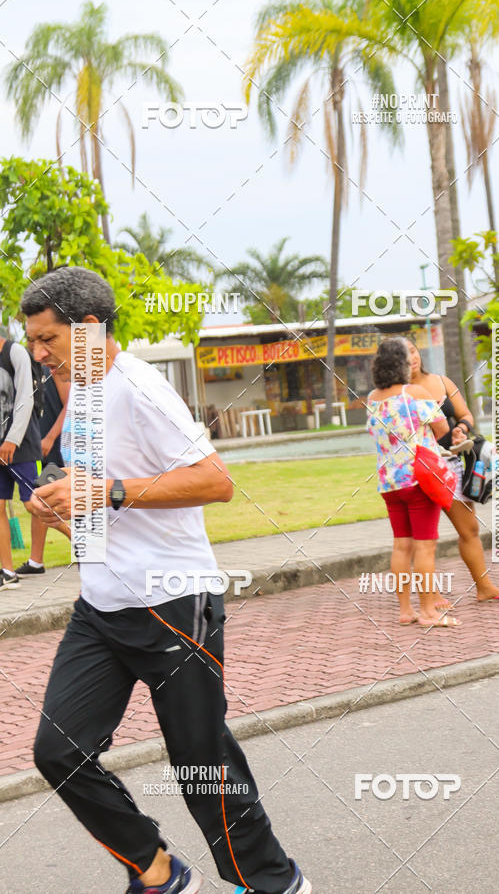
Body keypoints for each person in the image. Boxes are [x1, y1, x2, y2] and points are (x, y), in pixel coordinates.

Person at [22, 267, 311, 894]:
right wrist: (65, 511)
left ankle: (273, 883)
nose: (38, 354)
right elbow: (107, 510)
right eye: (32, 343)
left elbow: (216, 482)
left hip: (175, 602)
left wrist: (109, 490)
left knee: (201, 761)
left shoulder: (140, 388)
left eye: (47, 339)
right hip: (102, 606)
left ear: (90, 328)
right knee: (58, 751)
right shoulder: (83, 396)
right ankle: (157, 869)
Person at [406, 339, 499, 605]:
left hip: (452, 464)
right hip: (418, 469)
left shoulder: (442, 382)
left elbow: (465, 413)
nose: (411, 358)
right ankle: (429, 595)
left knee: (469, 528)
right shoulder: (397, 392)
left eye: (412, 351)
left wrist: (462, 430)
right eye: (403, 355)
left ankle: (484, 586)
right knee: (424, 535)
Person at [367, 337, 461, 629]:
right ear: (403, 364)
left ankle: (406, 610)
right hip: (419, 480)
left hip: (389, 483)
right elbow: (442, 428)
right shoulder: (416, 393)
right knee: (425, 548)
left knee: (401, 547)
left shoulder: (372, 398)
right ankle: (428, 612)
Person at [16, 367, 70, 576]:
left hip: (61, 445)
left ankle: (87, 547)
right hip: (40, 447)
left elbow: (70, 405)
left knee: (41, 499)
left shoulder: (55, 367)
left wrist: (50, 437)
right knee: (41, 495)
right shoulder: (24, 371)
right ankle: (36, 561)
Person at [0, 326, 42, 590]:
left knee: (34, 503)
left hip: (21, 443)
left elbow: (26, 398)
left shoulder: (14, 352)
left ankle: (91, 548)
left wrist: (12, 439)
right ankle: (7, 571)